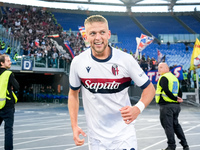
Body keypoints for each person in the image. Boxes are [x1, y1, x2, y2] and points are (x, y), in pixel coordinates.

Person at [68, 15, 155, 150]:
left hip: (124, 136)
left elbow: (150, 88)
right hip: (96, 139)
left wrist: (138, 108)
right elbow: (73, 94)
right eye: (92, 33)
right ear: (86, 37)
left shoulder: (126, 60)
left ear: (108, 34)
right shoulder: (78, 62)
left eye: (102, 32)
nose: (98, 38)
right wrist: (74, 126)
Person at [156, 62, 189, 150]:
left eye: (161, 67)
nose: (159, 69)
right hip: (176, 107)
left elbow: (166, 91)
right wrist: (179, 99)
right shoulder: (174, 78)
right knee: (176, 125)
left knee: (168, 126)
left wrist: (174, 98)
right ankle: (185, 145)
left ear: (167, 69)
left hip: (166, 106)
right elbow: (180, 92)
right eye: (158, 67)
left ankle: (171, 146)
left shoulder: (164, 77)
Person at [0, 54, 19, 150]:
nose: (10, 62)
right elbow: (17, 87)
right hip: (7, 106)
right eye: (8, 60)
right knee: (8, 131)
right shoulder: (8, 73)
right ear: (2, 63)